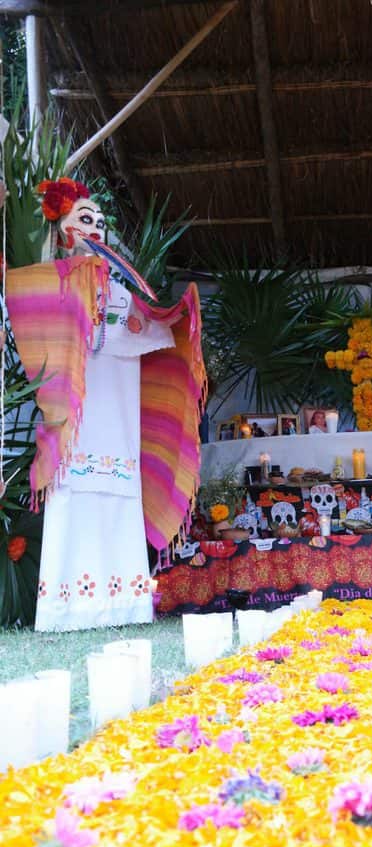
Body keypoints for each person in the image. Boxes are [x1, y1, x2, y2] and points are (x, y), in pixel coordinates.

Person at [7, 177, 205, 630]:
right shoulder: (52, 282)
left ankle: (124, 604)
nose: (95, 228)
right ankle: (65, 610)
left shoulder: (121, 289)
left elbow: (153, 326)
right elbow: (24, 307)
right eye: (84, 219)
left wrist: (175, 318)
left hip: (116, 417)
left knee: (116, 496)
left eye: (99, 221)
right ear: (62, 232)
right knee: (74, 500)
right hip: (75, 421)